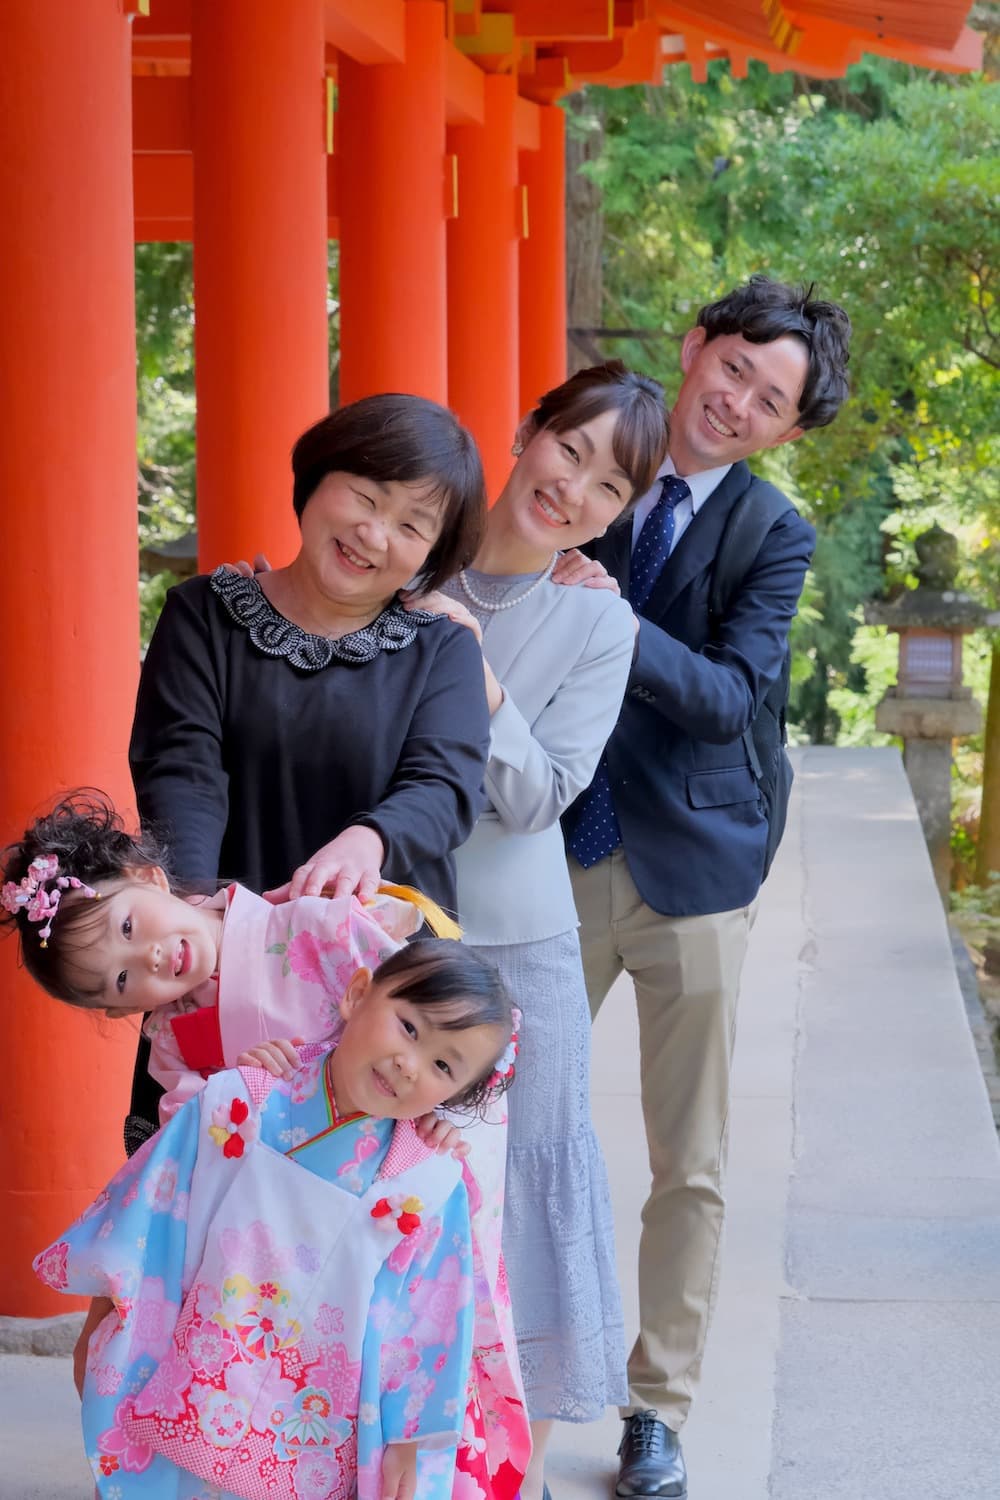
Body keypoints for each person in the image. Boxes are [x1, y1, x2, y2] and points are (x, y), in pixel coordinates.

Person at [561, 277, 852, 1499]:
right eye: (734, 368)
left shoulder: (772, 532)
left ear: (787, 429)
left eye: (770, 399)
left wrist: (614, 619)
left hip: (693, 871)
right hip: (554, 850)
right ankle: (474, 1356)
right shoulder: (590, 455)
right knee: (480, 1111)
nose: (736, 403)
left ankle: (657, 1406)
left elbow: (732, 696)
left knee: (691, 1160)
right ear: (693, 347)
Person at [404, 361, 670, 1500]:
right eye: (570, 450)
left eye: (610, 488)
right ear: (526, 432)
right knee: (398, 1187)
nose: (575, 490)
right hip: (390, 930)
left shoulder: (595, 621)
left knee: (530, 1200)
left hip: (521, 948)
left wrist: (478, 673)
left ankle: (511, 1472)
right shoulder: (408, 558)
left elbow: (536, 799)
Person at [33, 936, 530, 1500]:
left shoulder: (427, 1186)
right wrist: (103, 1317)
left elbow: (429, 1323)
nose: (408, 1064)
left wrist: (408, 1441)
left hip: (319, 1408)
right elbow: (149, 1221)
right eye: (410, 1027)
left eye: (442, 1064)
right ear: (357, 994)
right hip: (194, 1362)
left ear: (458, 1094)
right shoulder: (238, 1105)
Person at [126, 392, 492, 1150]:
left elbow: (446, 782)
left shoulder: (442, 651)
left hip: (384, 1004)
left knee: (354, 1231)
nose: (373, 533)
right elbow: (181, 771)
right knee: (197, 1220)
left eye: (411, 526)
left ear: (432, 555)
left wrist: (372, 838)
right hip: (219, 973)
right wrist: (201, 917)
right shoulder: (202, 616)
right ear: (318, 478)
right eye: (365, 496)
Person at [0, 791, 466, 1127]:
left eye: (127, 927)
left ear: (148, 877)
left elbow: (425, 1018)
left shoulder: (314, 924)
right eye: (122, 978)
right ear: (121, 1009)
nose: (150, 957)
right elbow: (191, 1140)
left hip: (387, 1137)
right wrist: (242, 1090)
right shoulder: (172, 1042)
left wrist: (433, 1115)